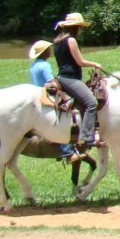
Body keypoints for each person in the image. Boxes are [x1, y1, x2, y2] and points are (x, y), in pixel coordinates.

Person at [53, 12, 105, 153]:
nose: (81, 30)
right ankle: (87, 137)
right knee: (91, 103)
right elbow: (80, 61)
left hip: (62, 77)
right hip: (70, 79)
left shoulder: (57, 41)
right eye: (80, 27)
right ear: (76, 27)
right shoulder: (71, 41)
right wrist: (95, 64)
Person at [29, 40, 80, 163]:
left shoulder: (34, 65)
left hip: (38, 93)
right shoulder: (45, 66)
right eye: (48, 50)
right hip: (48, 94)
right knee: (65, 114)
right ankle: (67, 150)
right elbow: (51, 81)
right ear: (44, 52)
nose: (50, 51)